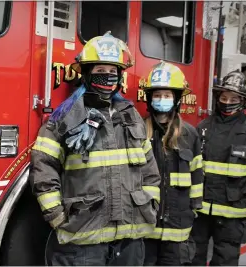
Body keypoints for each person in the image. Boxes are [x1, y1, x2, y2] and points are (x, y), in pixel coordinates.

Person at [28, 32, 162, 266]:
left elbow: (150, 170)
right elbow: (43, 169)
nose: (107, 78)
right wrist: (57, 216)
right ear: (87, 74)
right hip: (83, 241)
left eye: (112, 72)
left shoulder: (131, 117)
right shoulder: (65, 118)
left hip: (129, 240)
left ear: (120, 75)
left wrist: (150, 203)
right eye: (101, 72)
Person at [190, 70, 246, 266]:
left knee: (225, 260)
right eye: (224, 97)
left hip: (233, 212)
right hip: (201, 210)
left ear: (243, 101)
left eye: (234, 98)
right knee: (192, 257)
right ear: (218, 98)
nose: (228, 102)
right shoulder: (203, 127)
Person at [141, 62, 204, 266]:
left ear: (176, 99)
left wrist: (193, 210)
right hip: (145, 225)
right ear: (150, 98)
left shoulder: (189, 135)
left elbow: (196, 175)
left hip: (177, 227)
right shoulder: (138, 131)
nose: (162, 100)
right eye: (157, 95)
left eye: (167, 95)